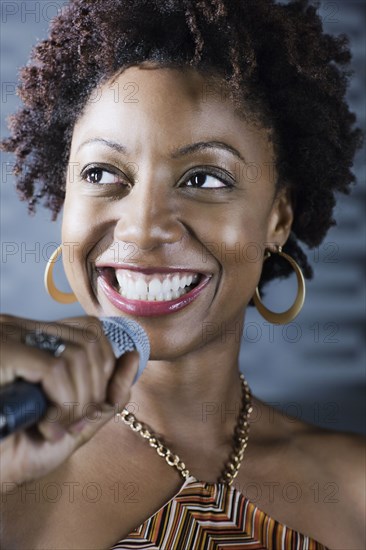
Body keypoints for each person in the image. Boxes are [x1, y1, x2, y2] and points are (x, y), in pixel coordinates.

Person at [0, 0, 364, 548]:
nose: (143, 229)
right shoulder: (9, 474)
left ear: (278, 218)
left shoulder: (355, 488)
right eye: (101, 172)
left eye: (205, 179)